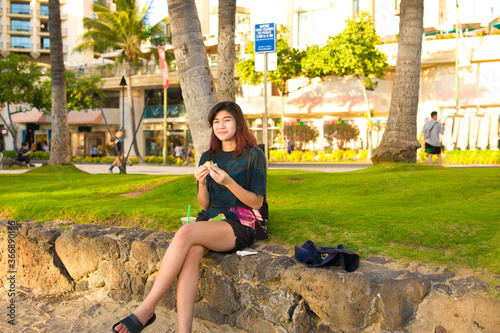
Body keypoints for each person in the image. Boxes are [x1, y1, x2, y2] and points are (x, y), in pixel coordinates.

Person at [112, 101, 266, 333]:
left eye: (227, 120)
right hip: (210, 221)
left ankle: (146, 309)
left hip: (240, 223)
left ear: (238, 122)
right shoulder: (208, 155)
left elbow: (257, 202)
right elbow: (203, 204)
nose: (221, 126)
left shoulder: (254, 155)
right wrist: (201, 182)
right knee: (192, 254)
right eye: (216, 122)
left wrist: (228, 182)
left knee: (185, 232)